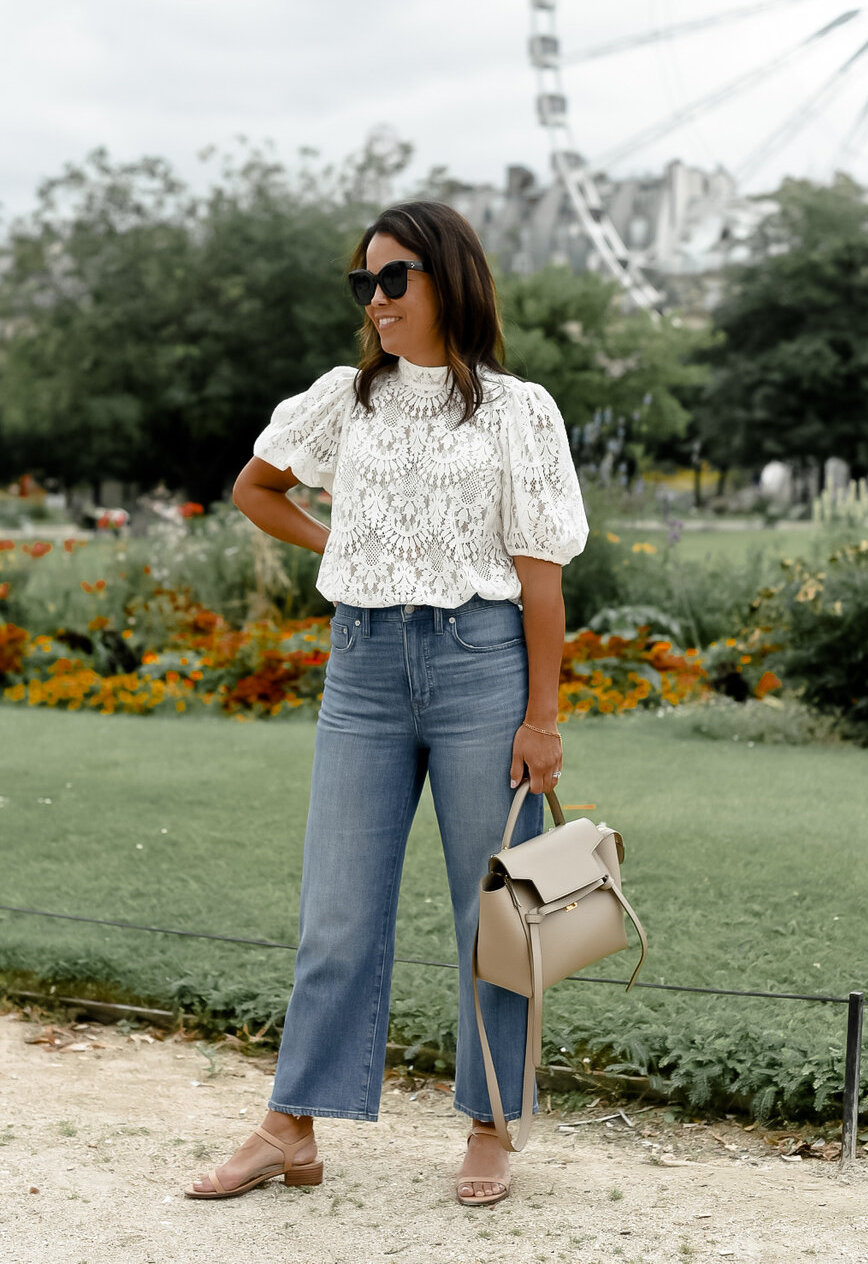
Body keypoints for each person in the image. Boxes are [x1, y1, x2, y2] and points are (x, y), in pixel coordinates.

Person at [185, 200, 588, 1208]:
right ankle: (291, 1127)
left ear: (448, 277)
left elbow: (542, 577)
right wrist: (352, 550)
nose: (376, 301)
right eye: (364, 284)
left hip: (480, 670)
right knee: (336, 909)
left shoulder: (516, 409)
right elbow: (257, 487)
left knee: (494, 908)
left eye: (394, 279)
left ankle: (493, 1124)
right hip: (362, 667)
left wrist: (543, 717)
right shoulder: (343, 399)